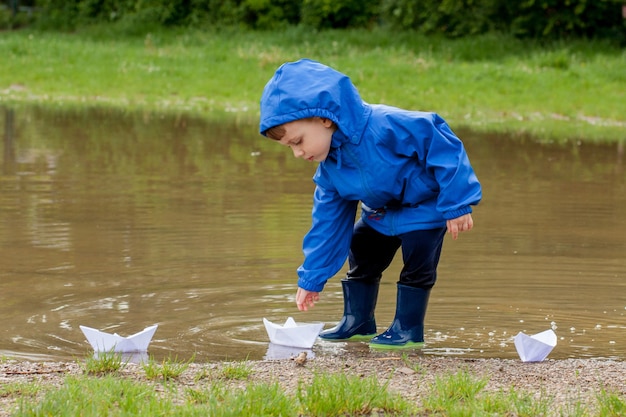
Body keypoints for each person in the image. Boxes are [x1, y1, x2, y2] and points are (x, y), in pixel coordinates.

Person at [259, 59, 482, 349]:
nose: (298, 153)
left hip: (424, 211)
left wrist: (457, 203)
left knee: (417, 261)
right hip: (381, 215)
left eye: (298, 141)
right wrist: (312, 277)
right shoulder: (330, 170)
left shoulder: (386, 125)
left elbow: (442, 144)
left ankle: (408, 328)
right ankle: (358, 321)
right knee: (361, 245)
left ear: (325, 118)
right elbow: (327, 226)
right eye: (290, 146)